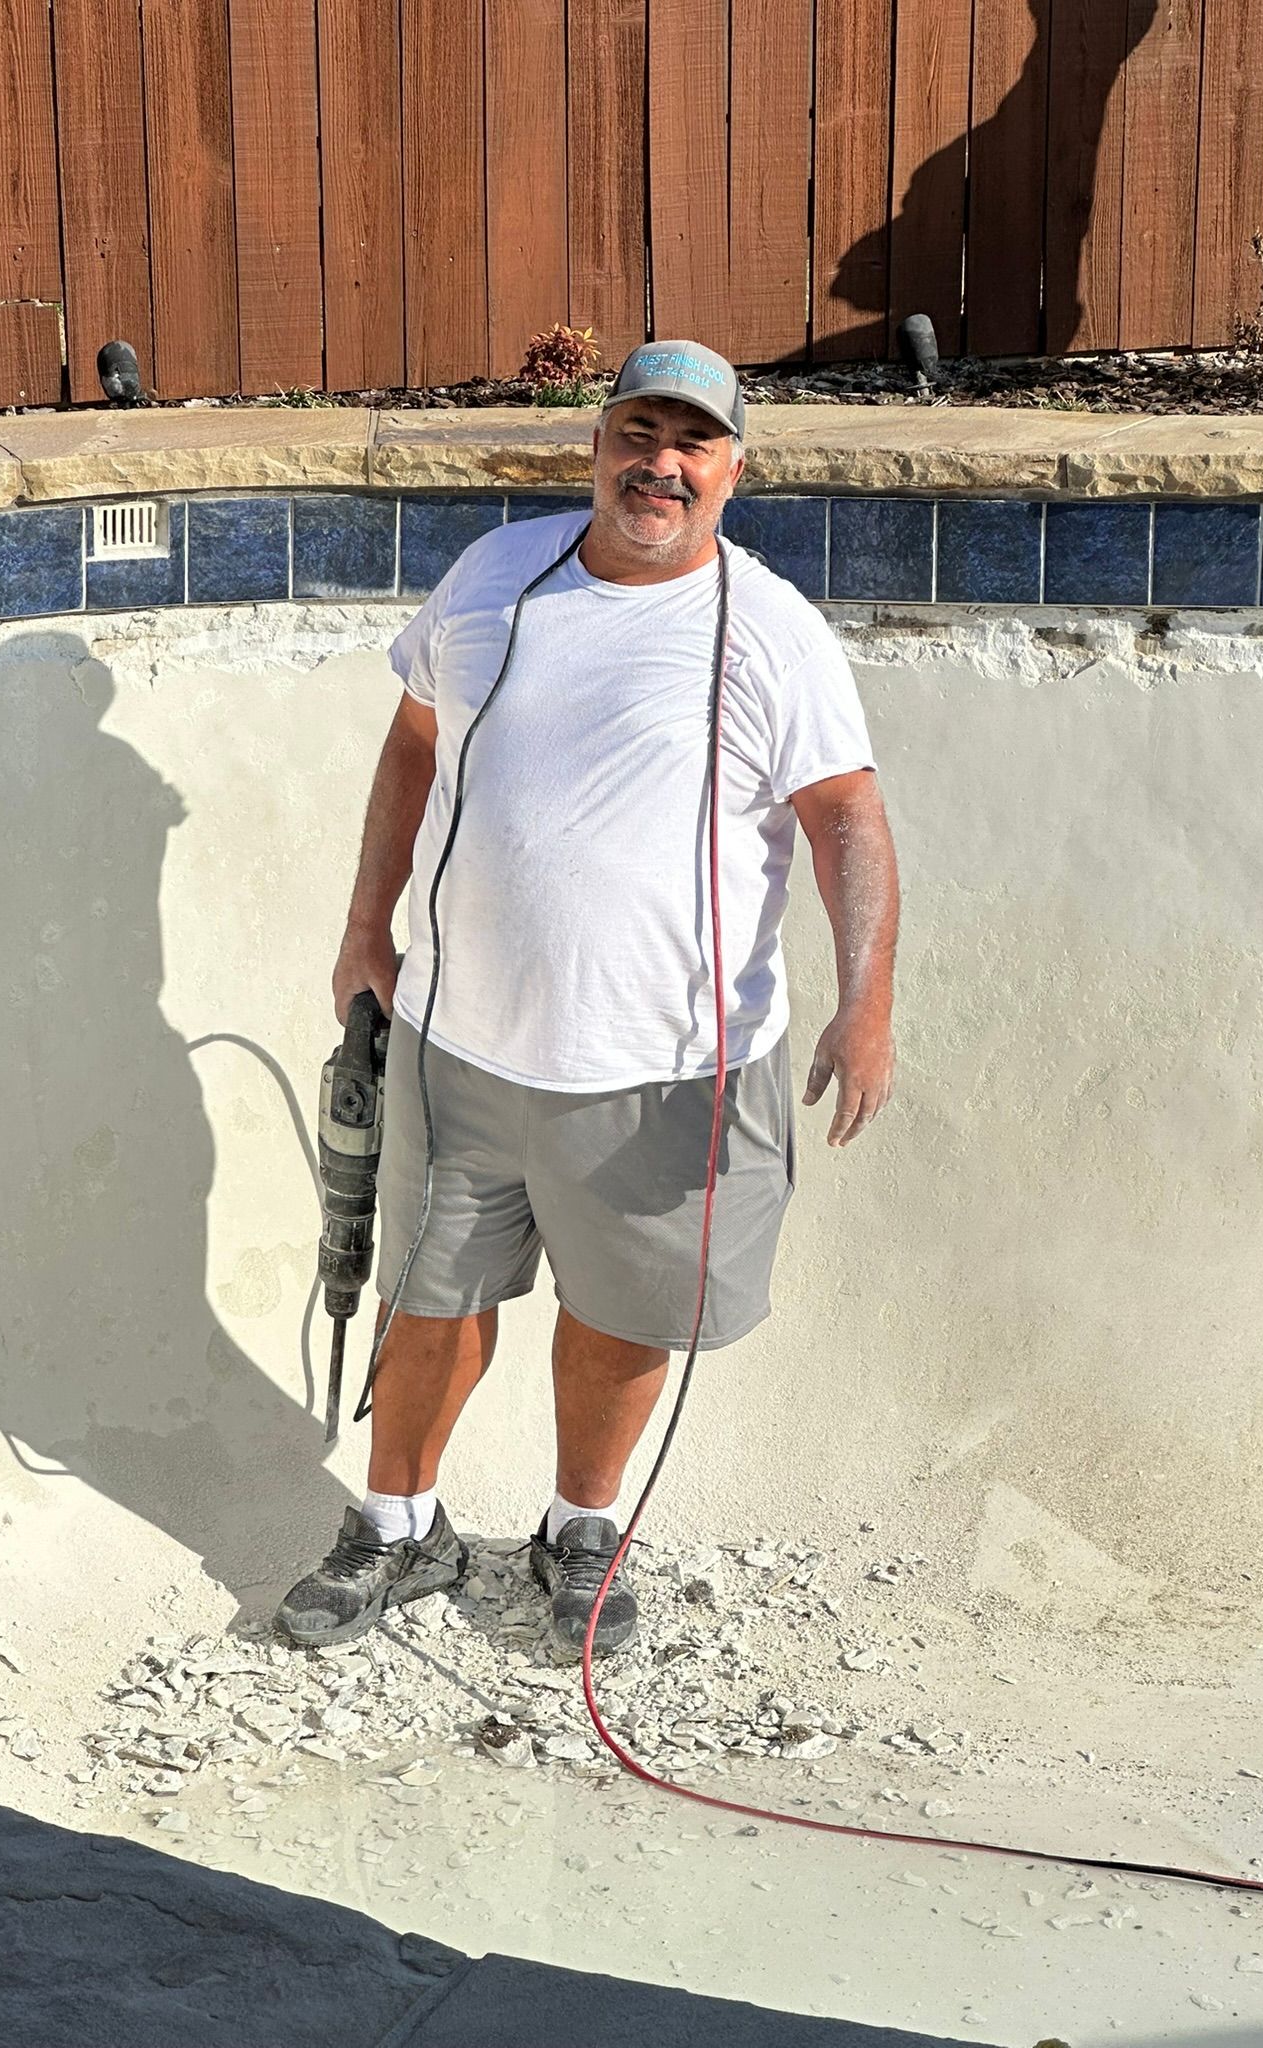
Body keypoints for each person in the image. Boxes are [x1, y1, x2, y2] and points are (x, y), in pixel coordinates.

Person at [278, 340, 899, 1657]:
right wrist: (362, 926)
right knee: (430, 1294)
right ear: (598, 441)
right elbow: (413, 741)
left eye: (692, 443)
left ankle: (580, 1528)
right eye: (638, 432)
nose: (658, 464)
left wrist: (867, 1003)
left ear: (734, 468)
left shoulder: (772, 634)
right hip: (463, 1043)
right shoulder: (495, 576)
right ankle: (401, 1529)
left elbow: (848, 823)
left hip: (663, 1067)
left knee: (617, 1312)